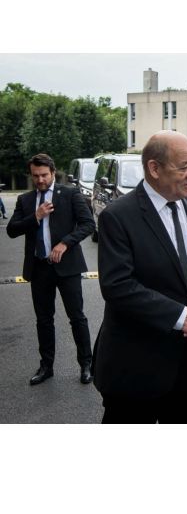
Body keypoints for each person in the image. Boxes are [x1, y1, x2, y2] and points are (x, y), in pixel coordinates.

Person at [92, 130, 187, 424]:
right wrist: (181, 316)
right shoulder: (119, 216)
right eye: (184, 166)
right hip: (135, 368)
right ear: (154, 168)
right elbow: (118, 287)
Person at [7, 153, 95, 385]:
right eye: (36, 176)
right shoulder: (25, 200)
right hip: (39, 268)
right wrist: (35, 217)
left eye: (44, 175)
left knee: (77, 317)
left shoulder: (70, 194)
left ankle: (86, 364)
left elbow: (88, 224)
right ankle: (46, 367)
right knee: (43, 320)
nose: (40, 180)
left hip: (67, 267)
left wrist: (65, 242)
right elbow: (12, 230)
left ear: (53, 173)